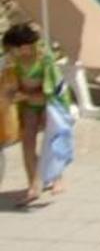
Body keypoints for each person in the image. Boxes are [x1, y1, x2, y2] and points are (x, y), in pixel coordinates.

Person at [2, 22, 65, 208]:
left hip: (49, 103)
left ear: (24, 48)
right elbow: (9, 89)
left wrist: (26, 95)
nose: (9, 53)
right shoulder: (13, 64)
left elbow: (51, 92)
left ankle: (57, 177)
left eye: (11, 49)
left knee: (51, 141)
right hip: (29, 104)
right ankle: (33, 185)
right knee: (27, 142)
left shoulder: (44, 60)